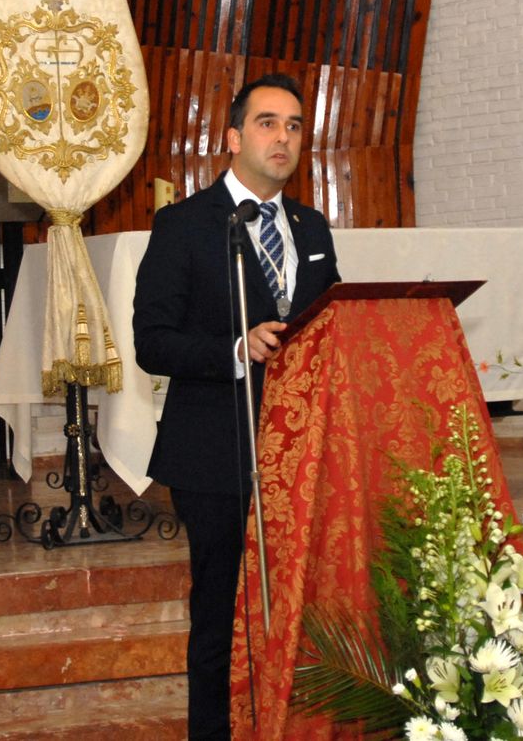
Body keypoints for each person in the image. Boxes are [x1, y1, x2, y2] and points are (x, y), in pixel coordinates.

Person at [133, 72, 340, 740]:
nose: (283, 137)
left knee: (302, 603)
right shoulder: (186, 225)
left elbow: (327, 324)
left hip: (300, 453)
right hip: (214, 452)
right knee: (220, 614)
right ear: (231, 137)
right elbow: (151, 341)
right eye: (267, 123)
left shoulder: (311, 226)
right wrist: (234, 349)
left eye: (294, 126)